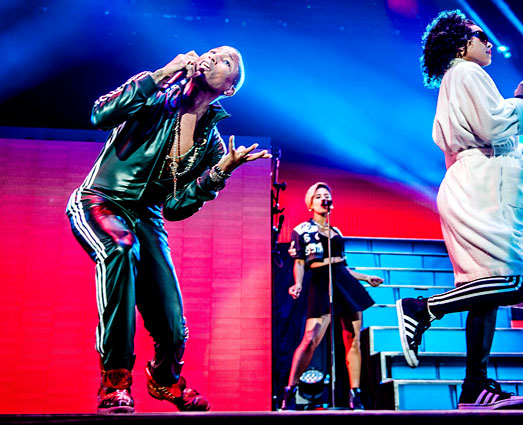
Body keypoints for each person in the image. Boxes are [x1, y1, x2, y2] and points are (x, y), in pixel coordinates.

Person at [66, 47, 271, 414]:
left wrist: (219, 172)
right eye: (212, 51)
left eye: (226, 60)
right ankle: (115, 379)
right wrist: (163, 73)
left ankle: (164, 378)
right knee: (120, 248)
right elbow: (100, 114)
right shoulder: (155, 94)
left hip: (148, 218)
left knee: (173, 325)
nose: (213, 57)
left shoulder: (211, 144)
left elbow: (175, 208)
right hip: (100, 200)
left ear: (230, 88)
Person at [395, 10, 523, 410]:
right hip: (480, 186)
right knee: (517, 283)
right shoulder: (467, 72)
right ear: (460, 45)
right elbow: (493, 126)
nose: (488, 43)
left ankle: (475, 388)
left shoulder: (458, 77)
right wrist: (521, 101)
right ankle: (422, 308)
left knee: (486, 294)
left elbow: (488, 131)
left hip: (476, 182)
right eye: (480, 35)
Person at [282, 182, 384, 410]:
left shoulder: (336, 232)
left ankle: (355, 393)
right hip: (320, 282)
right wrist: (297, 284)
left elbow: (343, 266)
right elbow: (299, 262)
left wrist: (366, 278)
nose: (323, 199)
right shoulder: (302, 230)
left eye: (326, 195)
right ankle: (290, 390)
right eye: (318, 196)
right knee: (311, 338)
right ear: (310, 203)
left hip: (344, 283)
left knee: (353, 339)